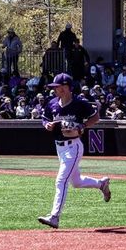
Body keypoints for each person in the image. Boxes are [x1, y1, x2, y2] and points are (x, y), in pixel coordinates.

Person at [36, 73, 111, 229]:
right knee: (76, 182)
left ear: (66, 87)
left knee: (61, 180)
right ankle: (101, 184)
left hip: (73, 147)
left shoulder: (79, 103)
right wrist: (47, 125)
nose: (55, 89)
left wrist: (83, 126)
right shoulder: (52, 103)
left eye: (57, 87)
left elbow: (95, 117)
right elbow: (45, 119)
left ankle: (54, 217)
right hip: (59, 147)